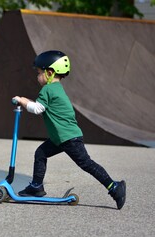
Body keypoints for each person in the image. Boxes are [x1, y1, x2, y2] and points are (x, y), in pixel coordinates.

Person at [12, 50, 126, 210]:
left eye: (39, 73)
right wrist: (26, 102)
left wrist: (22, 100)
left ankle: (114, 187)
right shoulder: (56, 88)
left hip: (68, 138)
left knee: (87, 164)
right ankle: (36, 186)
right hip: (61, 138)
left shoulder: (48, 89)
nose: (37, 77)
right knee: (41, 153)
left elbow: (37, 109)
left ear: (49, 72)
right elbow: (41, 106)